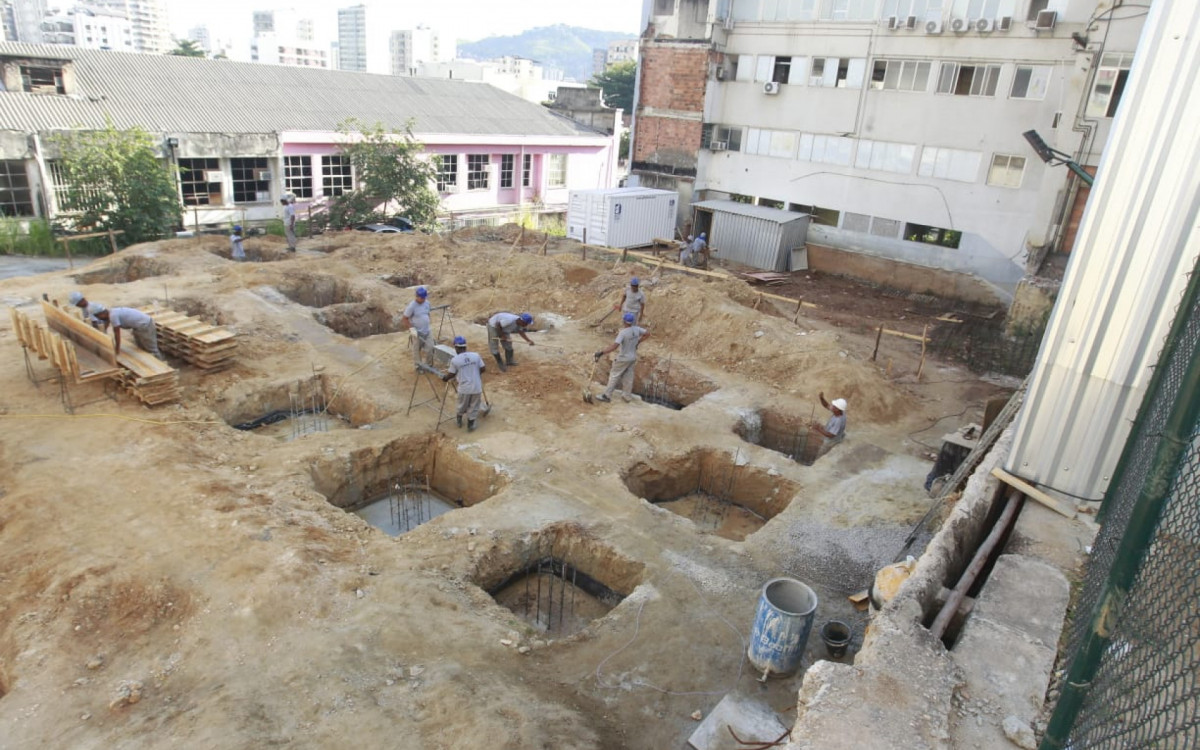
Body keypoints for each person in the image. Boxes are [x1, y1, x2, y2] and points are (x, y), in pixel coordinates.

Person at [593, 312, 649, 403]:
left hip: (623, 357)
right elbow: (647, 333)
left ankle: (606, 396)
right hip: (632, 357)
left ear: (625, 321)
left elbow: (615, 346)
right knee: (628, 376)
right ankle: (627, 396)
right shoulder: (637, 329)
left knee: (614, 375)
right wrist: (638, 341)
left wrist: (601, 352)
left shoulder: (623, 333)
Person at [442, 335, 486, 431]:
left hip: (464, 388)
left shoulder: (455, 360)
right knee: (474, 406)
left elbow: (451, 374)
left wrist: (445, 378)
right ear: (465, 346)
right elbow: (483, 369)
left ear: (456, 347)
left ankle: (459, 420)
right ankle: (470, 425)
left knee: (462, 405)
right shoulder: (476, 355)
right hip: (476, 387)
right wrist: (474, 375)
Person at [94, 307, 163, 360]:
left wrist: (117, 349)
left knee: (151, 348)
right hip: (138, 326)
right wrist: (102, 332)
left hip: (145, 325)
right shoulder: (112, 312)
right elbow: (107, 322)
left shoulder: (113, 316)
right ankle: (150, 362)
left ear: (102, 314)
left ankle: (162, 366)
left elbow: (117, 334)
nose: (99, 318)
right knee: (140, 347)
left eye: (98, 316)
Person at [401, 286, 434, 365]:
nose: (423, 300)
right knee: (416, 350)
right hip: (417, 333)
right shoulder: (412, 306)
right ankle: (418, 366)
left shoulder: (427, 303)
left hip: (427, 331)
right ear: (417, 296)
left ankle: (428, 365)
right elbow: (405, 318)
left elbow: (427, 313)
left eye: (424, 298)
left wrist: (427, 321)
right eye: (421, 298)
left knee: (430, 348)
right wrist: (411, 329)